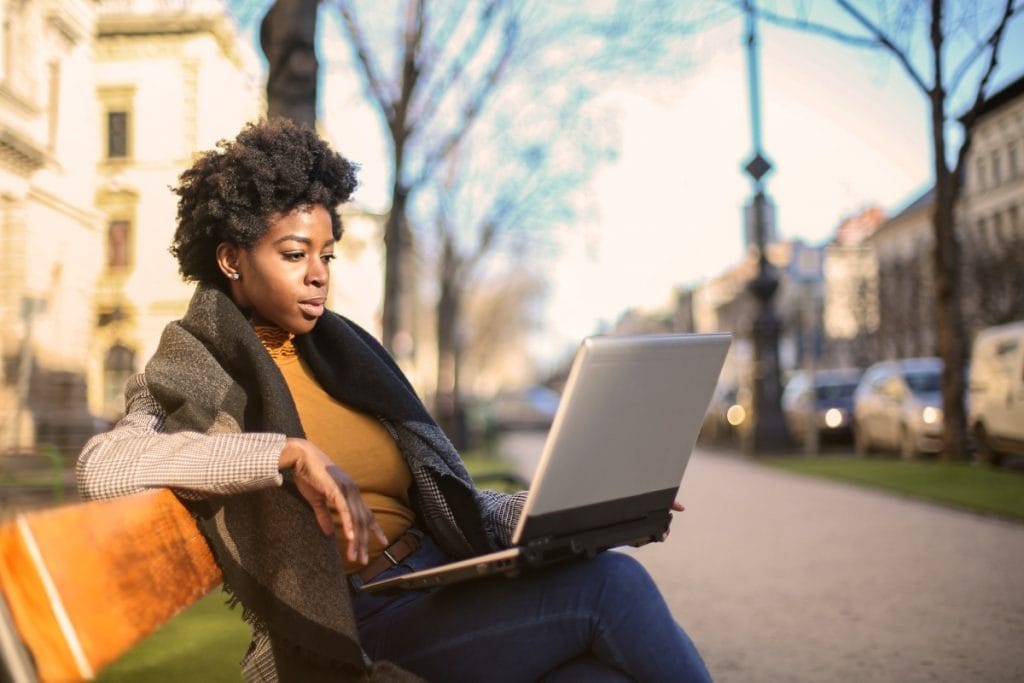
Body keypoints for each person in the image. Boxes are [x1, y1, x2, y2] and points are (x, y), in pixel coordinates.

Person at [77, 118, 713, 683]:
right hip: (355, 623)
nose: (319, 273)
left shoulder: (348, 351)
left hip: (436, 581)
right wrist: (286, 454)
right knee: (612, 590)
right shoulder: (191, 364)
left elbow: (442, 502)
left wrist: (576, 514)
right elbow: (103, 466)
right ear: (232, 259)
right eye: (294, 255)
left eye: (326, 254)